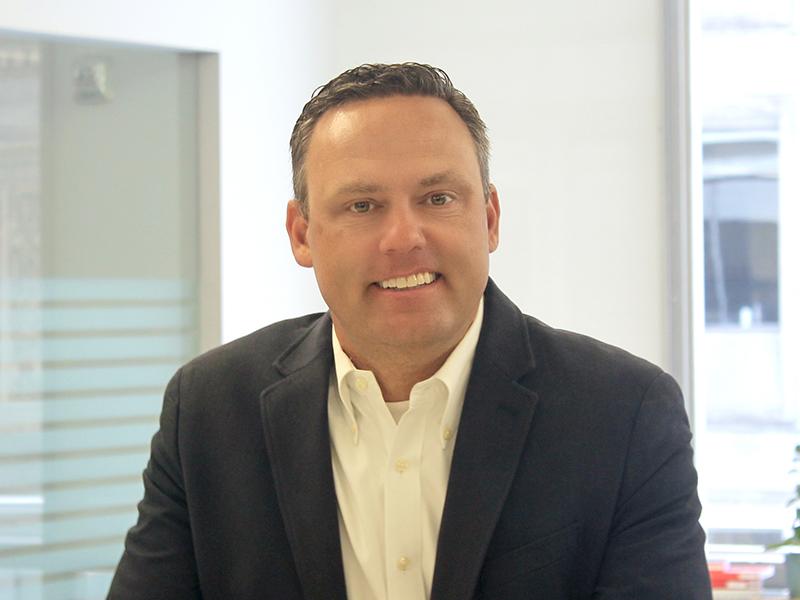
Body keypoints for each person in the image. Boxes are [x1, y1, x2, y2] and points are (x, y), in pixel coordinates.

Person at [108, 63, 712, 600]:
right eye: (362, 205)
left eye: (438, 197)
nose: (404, 238)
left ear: (490, 218)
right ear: (301, 233)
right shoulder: (210, 408)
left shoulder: (623, 413)